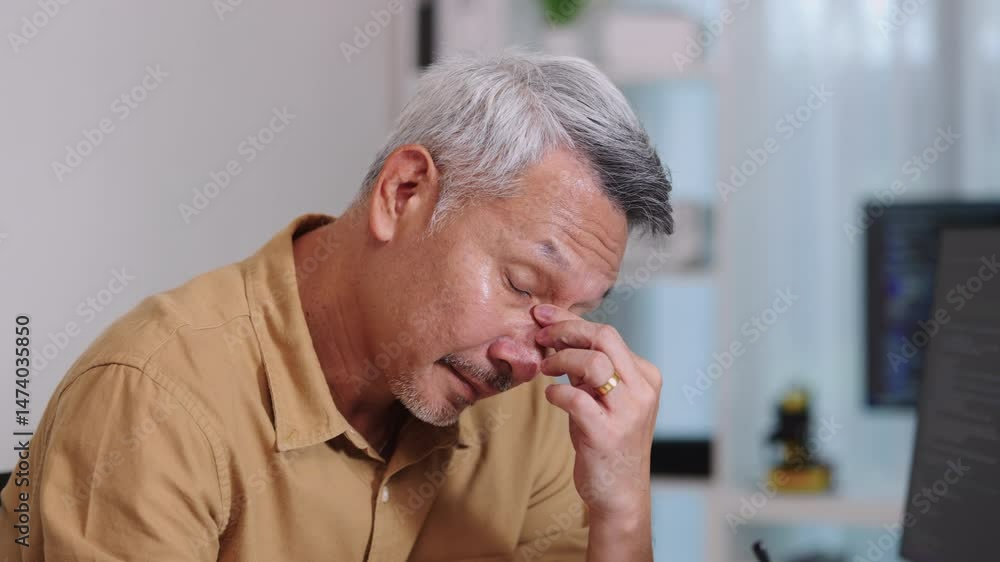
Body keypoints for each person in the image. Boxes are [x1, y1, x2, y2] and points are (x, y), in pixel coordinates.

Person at [0, 51, 672, 561]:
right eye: (522, 285)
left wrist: (621, 512)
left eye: (576, 313)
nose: (526, 359)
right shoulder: (156, 400)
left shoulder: (531, 411)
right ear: (403, 193)